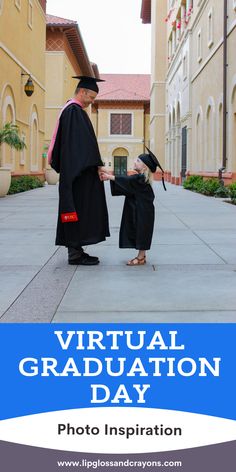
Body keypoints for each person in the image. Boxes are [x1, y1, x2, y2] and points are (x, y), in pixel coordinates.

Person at [48, 76, 110, 265]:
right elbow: (82, 145)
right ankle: (74, 254)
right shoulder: (74, 111)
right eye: (91, 96)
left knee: (76, 211)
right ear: (82, 92)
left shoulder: (71, 111)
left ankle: (76, 250)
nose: (92, 101)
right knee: (76, 210)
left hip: (74, 172)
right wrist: (96, 164)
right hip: (78, 174)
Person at [100, 148, 165, 266]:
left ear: (145, 167)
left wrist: (109, 177)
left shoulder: (141, 179)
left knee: (142, 232)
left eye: (138, 161)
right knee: (140, 231)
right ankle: (142, 256)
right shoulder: (140, 178)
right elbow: (128, 185)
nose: (135, 162)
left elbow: (129, 180)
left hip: (143, 211)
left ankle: (140, 258)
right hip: (142, 210)